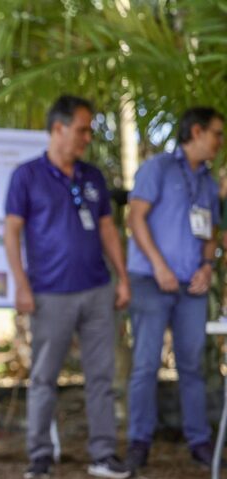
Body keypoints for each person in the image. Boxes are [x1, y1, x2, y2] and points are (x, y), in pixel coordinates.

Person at [4, 95, 131, 479]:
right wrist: (21, 285)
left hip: (97, 290)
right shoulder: (27, 175)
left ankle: (103, 455)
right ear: (58, 128)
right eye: (82, 129)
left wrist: (123, 278)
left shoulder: (92, 176)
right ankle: (40, 458)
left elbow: (107, 229)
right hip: (49, 293)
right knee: (44, 378)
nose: (87, 138)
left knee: (101, 377)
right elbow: (11, 233)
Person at [125, 107, 223, 471]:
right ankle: (138, 443)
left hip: (191, 287)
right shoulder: (158, 168)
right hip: (151, 281)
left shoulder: (208, 182)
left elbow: (210, 233)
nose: (220, 141)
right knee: (146, 364)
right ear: (196, 132)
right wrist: (159, 266)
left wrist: (207, 266)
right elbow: (135, 218)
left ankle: (200, 443)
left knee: (192, 366)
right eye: (216, 133)